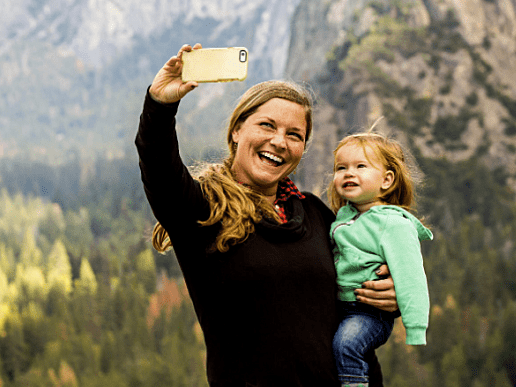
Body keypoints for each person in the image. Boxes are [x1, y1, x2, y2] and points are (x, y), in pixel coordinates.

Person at [135, 43, 398, 386]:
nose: (279, 141)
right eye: (267, 125)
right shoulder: (202, 211)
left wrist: (388, 294)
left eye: (294, 135)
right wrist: (160, 104)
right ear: (237, 130)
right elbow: (159, 166)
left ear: (302, 149)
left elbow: (360, 275)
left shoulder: (314, 212)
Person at [327, 132, 432, 387]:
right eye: (341, 168)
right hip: (340, 308)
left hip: (370, 313)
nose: (349, 173)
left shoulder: (393, 223)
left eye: (360, 166)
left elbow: (411, 277)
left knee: (347, 343)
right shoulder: (342, 217)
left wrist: (415, 326)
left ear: (386, 180)